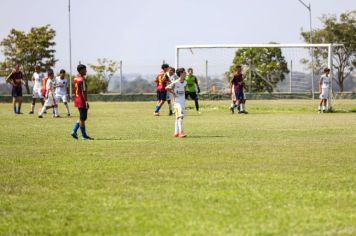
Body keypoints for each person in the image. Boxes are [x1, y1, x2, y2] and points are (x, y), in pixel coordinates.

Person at [71, 64, 93, 140]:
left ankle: (74, 131)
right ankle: (83, 136)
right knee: (83, 118)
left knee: (82, 117)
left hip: (77, 99)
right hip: (82, 100)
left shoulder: (75, 78)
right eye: (84, 69)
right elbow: (84, 91)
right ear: (80, 70)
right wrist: (86, 101)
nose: (86, 71)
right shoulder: (82, 79)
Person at [166, 68, 187, 138]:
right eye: (184, 72)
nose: (185, 73)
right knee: (180, 117)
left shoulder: (185, 82)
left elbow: (184, 90)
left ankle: (176, 132)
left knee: (179, 117)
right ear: (181, 74)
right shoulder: (175, 82)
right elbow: (167, 88)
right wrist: (174, 94)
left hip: (183, 102)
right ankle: (181, 132)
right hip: (177, 102)